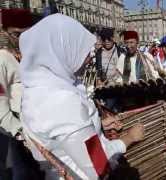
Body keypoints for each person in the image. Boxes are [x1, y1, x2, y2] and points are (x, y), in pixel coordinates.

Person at [19, 14, 144, 179]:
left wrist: (97, 123)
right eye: (83, 51)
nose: (90, 57)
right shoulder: (60, 100)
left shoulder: (37, 88)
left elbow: (66, 138)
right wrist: (128, 138)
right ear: (63, 51)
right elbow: (97, 164)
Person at [0, 8, 42, 180]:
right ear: (4, 31)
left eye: (27, 34)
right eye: (16, 34)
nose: (21, 40)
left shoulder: (29, 56)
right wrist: (18, 131)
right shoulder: (2, 58)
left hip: (37, 127)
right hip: (14, 134)